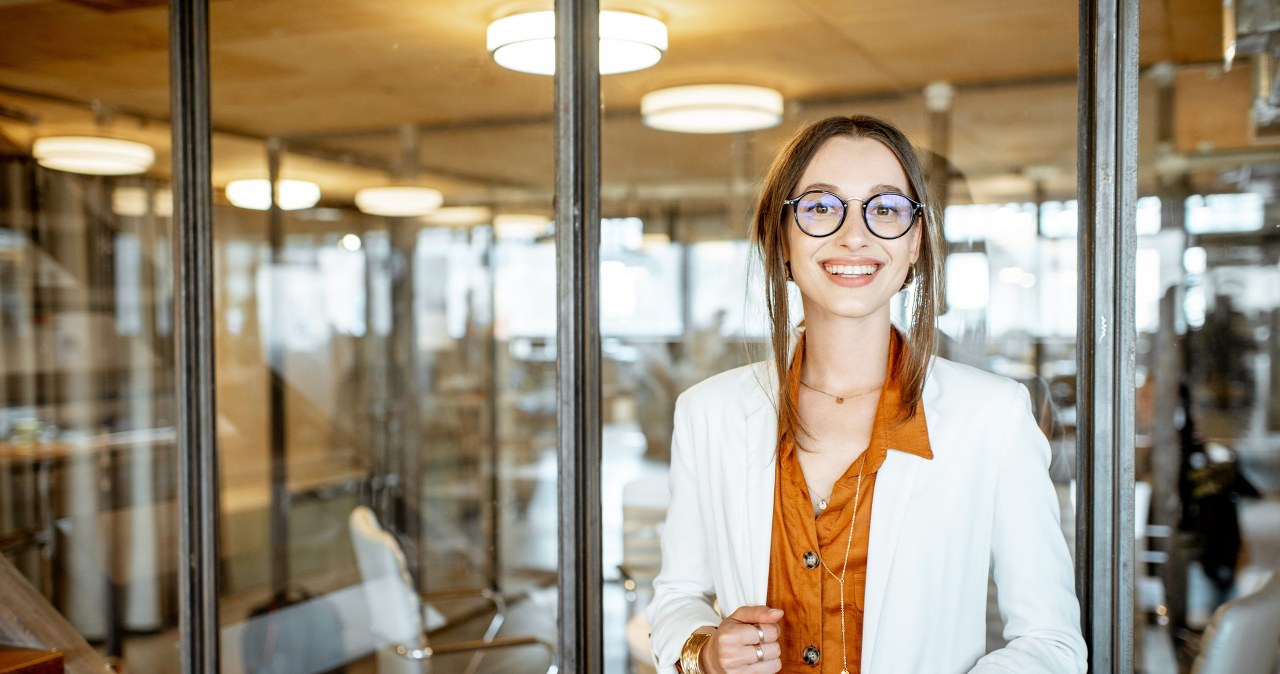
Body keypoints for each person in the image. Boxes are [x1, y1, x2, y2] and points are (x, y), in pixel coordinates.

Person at [646, 115, 1086, 674]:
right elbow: (678, 595)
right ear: (780, 236)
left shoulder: (992, 416)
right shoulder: (707, 413)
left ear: (915, 243)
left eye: (884, 209)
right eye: (822, 207)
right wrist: (702, 652)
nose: (854, 235)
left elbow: (1052, 642)